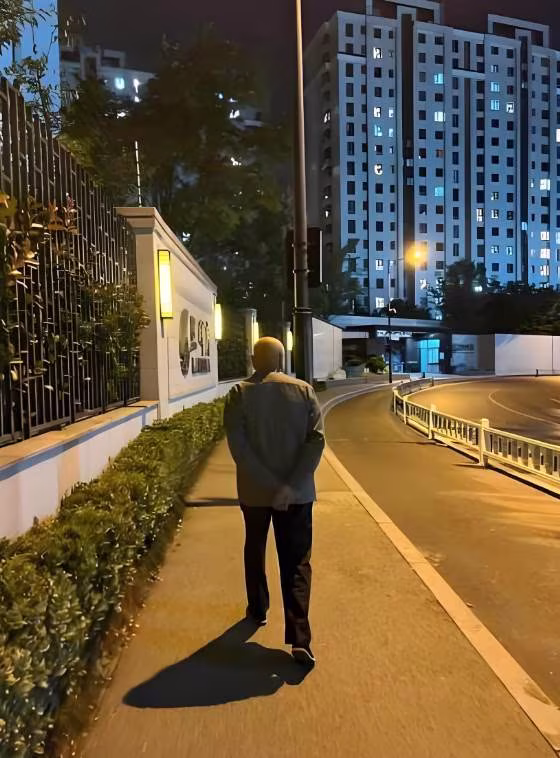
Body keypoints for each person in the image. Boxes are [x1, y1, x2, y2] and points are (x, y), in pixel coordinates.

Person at [223, 336, 325, 667]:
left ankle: (258, 609)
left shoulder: (239, 393)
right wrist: (289, 486)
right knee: (297, 561)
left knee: (255, 548)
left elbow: (239, 448)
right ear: (282, 360)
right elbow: (316, 441)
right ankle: (300, 638)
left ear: (254, 360)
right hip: (298, 494)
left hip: (254, 492)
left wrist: (268, 485)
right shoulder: (304, 391)